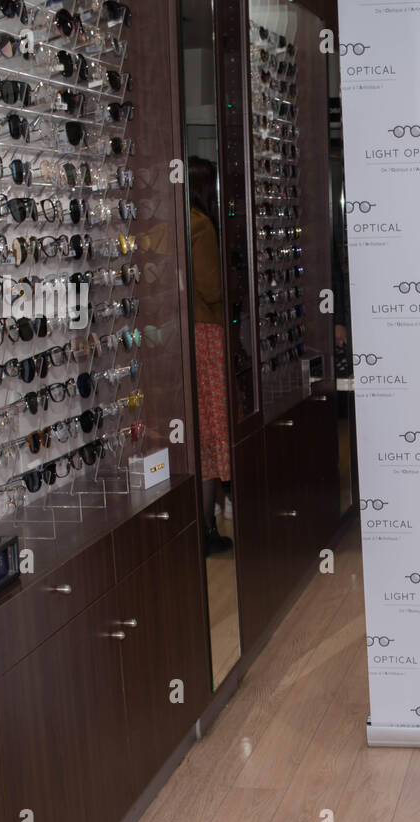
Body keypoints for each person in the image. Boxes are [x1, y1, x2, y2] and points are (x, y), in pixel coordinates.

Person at [188, 156, 233, 555]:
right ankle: (205, 529)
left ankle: (201, 526)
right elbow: (211, 287)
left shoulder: (168, 225)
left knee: (196, 436)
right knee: (212, 435)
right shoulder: (199, 225)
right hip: (206, 337)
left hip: (181, 339)